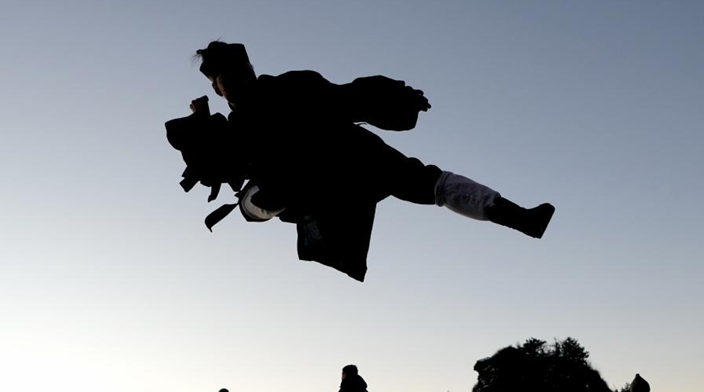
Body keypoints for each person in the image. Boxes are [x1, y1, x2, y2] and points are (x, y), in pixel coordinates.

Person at [178, 40, 555, 281]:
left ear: (250, 69)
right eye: (227, 77)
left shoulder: (291, 86)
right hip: (300, 187)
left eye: (240, 70)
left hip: (351, 159)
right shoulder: (234, 127)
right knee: (256, 199)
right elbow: (216, 163)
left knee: (430, 183)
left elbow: (347, 96)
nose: (238, 79)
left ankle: (519, 217)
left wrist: (398, 98)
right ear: (216, 85)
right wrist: (199, 123)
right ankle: (275, 199)